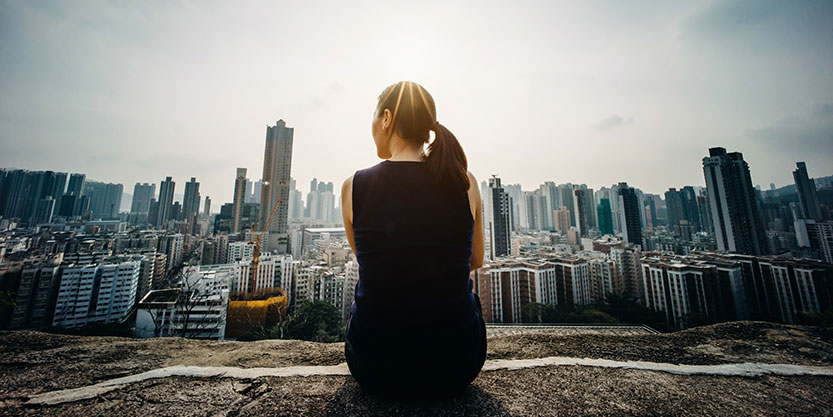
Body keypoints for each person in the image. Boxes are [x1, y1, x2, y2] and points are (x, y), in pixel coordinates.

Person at [340, 80, 487, 401]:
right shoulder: (465, 182)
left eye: (374, 117)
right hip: (457, 364)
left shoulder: (355, 186)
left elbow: (368, 260)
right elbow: (475, 261)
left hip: (374, 366)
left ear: (387, 119)